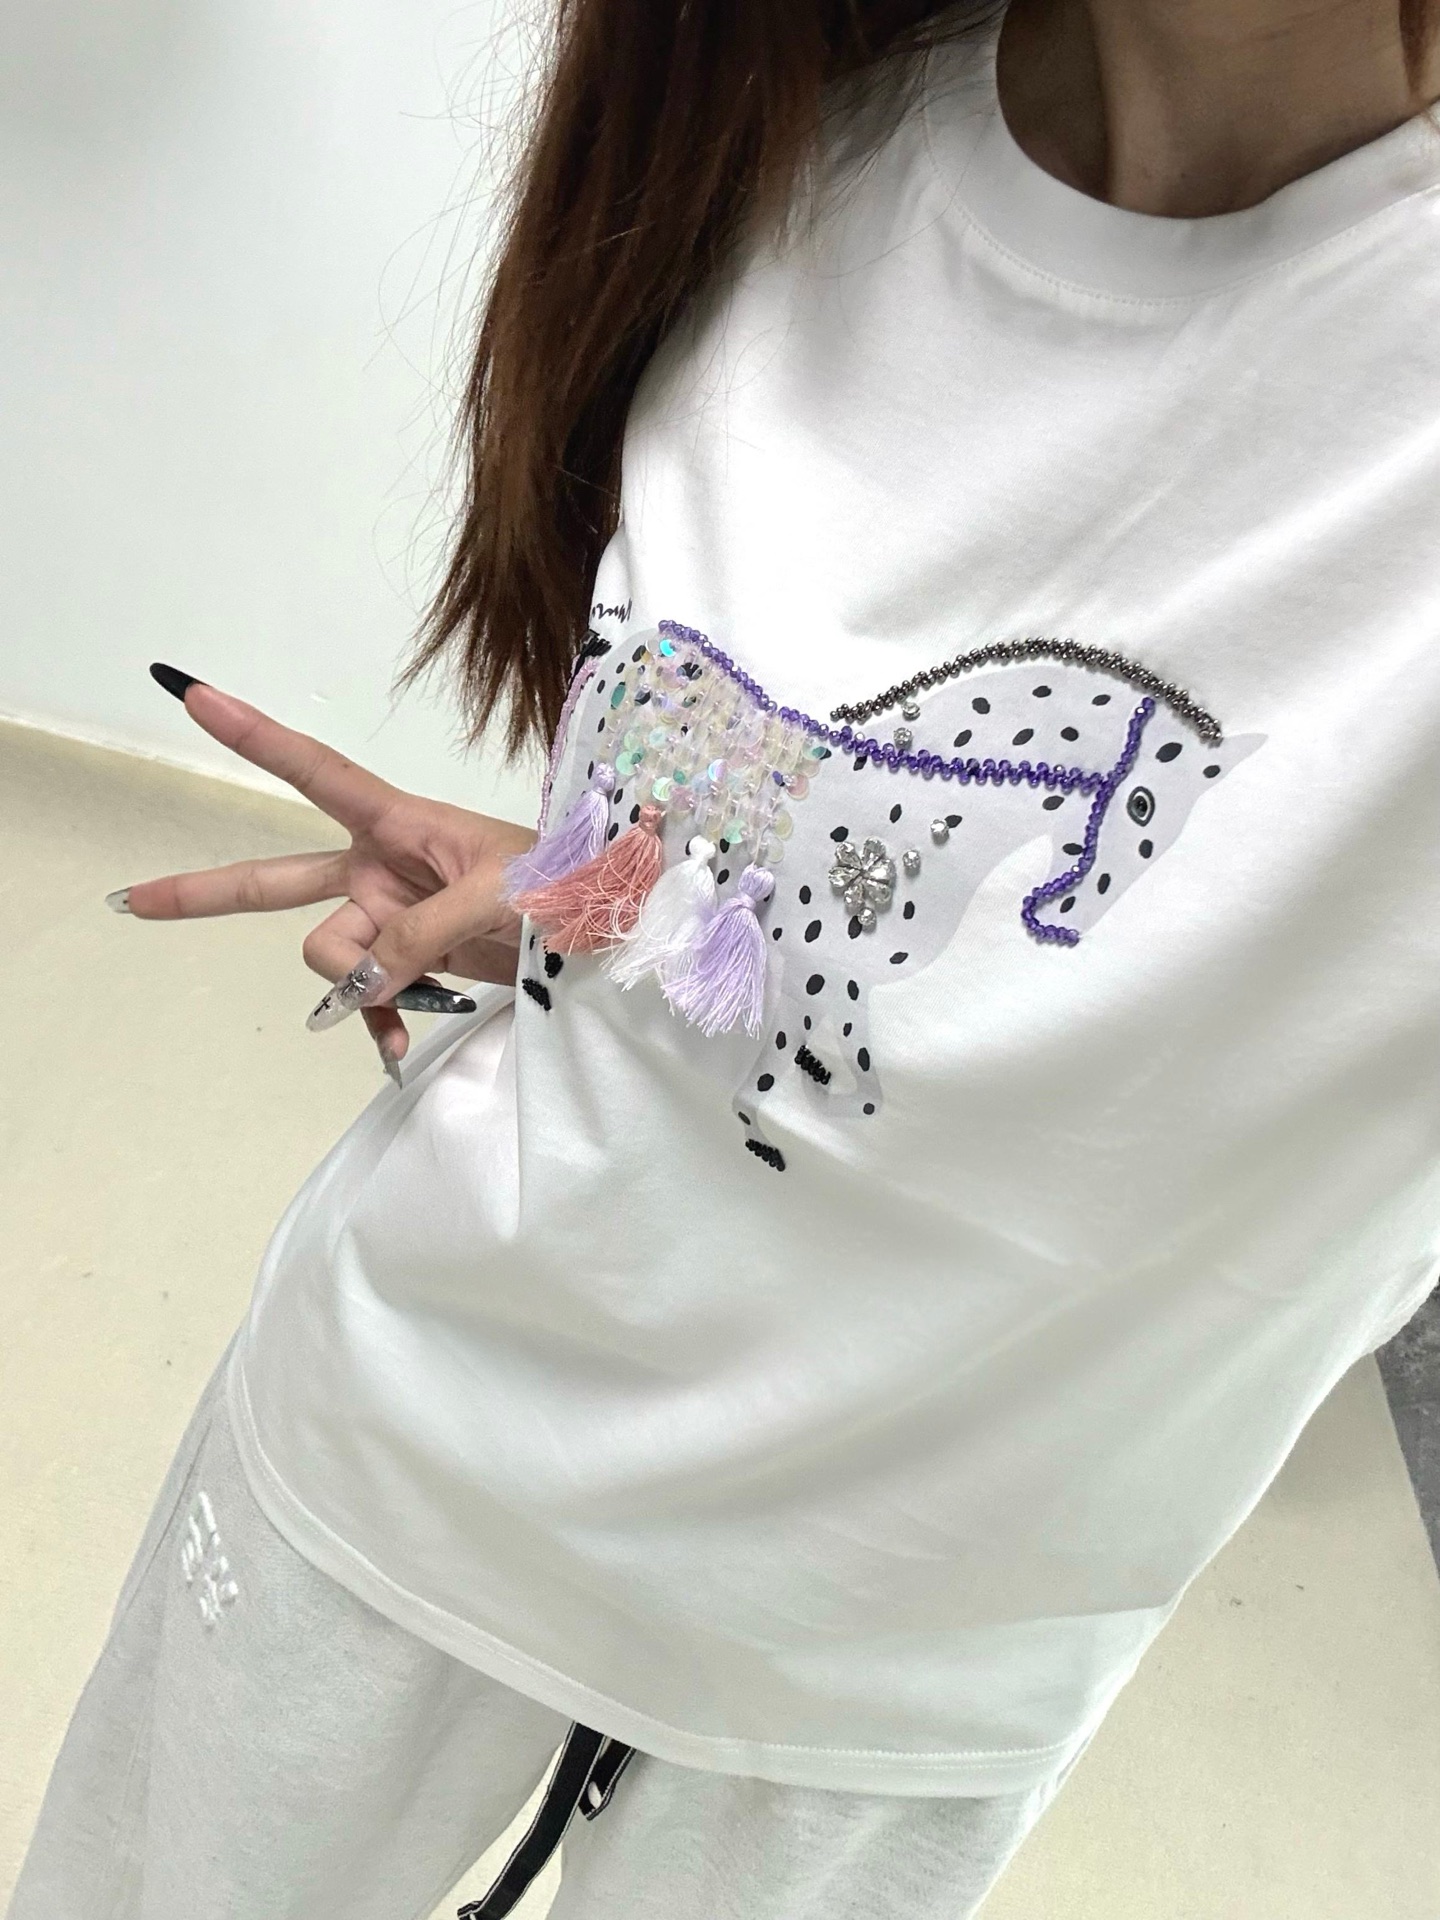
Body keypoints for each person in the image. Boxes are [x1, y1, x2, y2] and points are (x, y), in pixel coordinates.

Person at [13, 0, 1440, 1913]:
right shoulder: (795, 128)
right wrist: (621, 894)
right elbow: (807, 853)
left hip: (877, 1691)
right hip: (399, 1428)